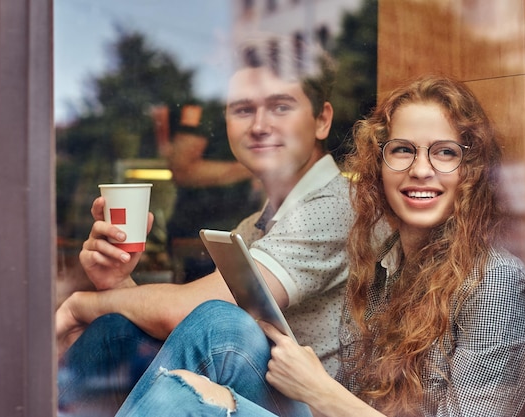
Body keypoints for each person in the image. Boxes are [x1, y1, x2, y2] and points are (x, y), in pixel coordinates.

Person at [114, 74, 525, 417]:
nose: (420, 170)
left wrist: (318, 391)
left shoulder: (496, 282)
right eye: (402, 150)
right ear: (378, 165)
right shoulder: (380, 266)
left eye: (445, 153)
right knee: (217, 325)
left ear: (472, 170)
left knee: (182, 398)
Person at [56, 36, 352, 416]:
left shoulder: (338, 206)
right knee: (119, 329)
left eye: (281, 106)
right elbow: (181, 331)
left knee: (221, 325)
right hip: (265, 397)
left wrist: (82, 304)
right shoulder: (256, 223)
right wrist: (116, 282)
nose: (260, 125)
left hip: (325, 407)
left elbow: (192, 316)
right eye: (243, 109)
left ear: (322, 119)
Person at [156, 100, 262, 282]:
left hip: (239, 234)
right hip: (204, 239)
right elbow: (183, 170)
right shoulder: (208, 104)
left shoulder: (248, 103)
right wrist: (254, 167)